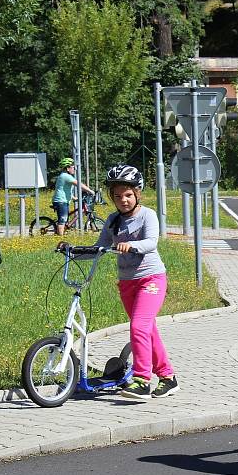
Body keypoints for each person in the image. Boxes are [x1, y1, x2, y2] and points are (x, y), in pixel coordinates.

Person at [95, 164, 179, 400]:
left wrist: (131, 245)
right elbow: (99, 247)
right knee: (148, 330)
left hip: (151, 279)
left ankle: (142, 380)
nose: (123, 200)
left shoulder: (147, 215)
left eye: (128, 195)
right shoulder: (113, 220)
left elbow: (152, 242)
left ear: (138, 193)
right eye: (118, 196)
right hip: (127, 283)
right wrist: (72, 250)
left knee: (139, 327)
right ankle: (168, 377)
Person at [52, 158, 96, 235]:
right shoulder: (65, 176)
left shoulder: (65, 176)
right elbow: (79, 184)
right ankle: (59, 239)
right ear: (67, 168)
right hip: (61, 201)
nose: (74, 169)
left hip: (63, 200)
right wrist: (90, 191)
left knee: (65, 219)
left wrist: (73, 197)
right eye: (73, 167)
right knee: (62, 220)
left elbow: (64, 189)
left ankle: (61, 232)